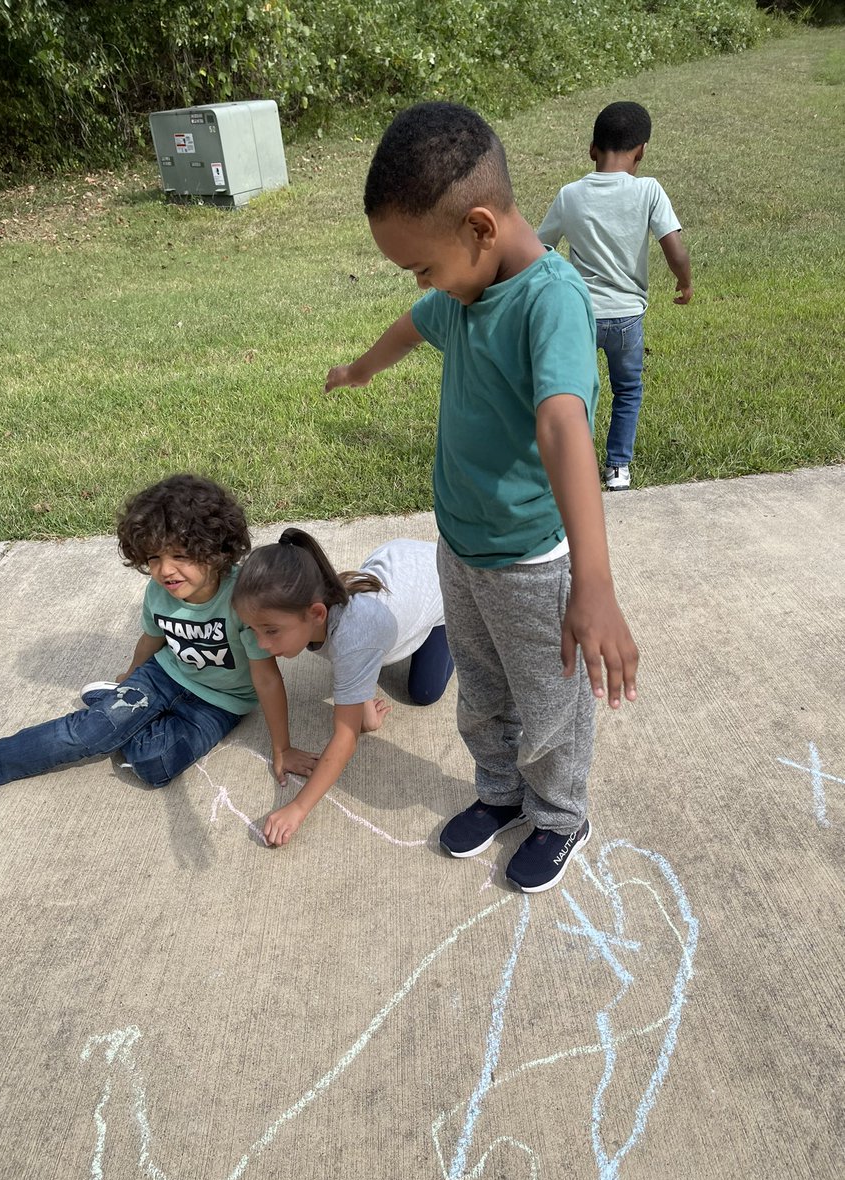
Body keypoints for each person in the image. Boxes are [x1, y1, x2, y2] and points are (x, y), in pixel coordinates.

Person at [325, 101, 638, 893]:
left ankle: (562, 814)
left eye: (423, 265)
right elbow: (411, 322)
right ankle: (500, 795)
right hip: (461, 550)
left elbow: (565, 427)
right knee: (483, 691)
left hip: (533, 564)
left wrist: (593, 583)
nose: (424, 284)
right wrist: (361, 368)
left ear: (479, 227)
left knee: (550, 705)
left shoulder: (549, 301)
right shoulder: (463, 290)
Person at [0, 475, 317, 805]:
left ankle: (116, 712)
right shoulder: (160, 592)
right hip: (161, 676)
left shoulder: (243, 599)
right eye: (153, 557)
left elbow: (266, 677)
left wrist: (281, 747)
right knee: (90, 733)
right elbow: (152, 637)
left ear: (217, 549)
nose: (164, 570)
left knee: (154, 765)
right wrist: (132, 673)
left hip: (220, 703)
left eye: (181, 556)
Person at [233, 529, 453, 847]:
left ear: (317, 614)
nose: (262, 644)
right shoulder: (319, 603)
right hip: (400, 566)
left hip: (439, 583)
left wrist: (297, 808)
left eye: (271, 631)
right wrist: (360, 702)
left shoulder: (353, 637)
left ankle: (458, 625)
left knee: (425, 692)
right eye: (255, 630)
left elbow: (345, 739)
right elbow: (349, 661)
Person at [537, 100, 693, 491]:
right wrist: (684, 281)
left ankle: (572, 466)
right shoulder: (649, 191)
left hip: (580, 316)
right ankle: (618, 468)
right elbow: (674, 248)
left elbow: (541, 249)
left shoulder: (570, 194)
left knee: (576, 391)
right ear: (641, 150)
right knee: (627, 390)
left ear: (592, 149)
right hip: (627, 318)